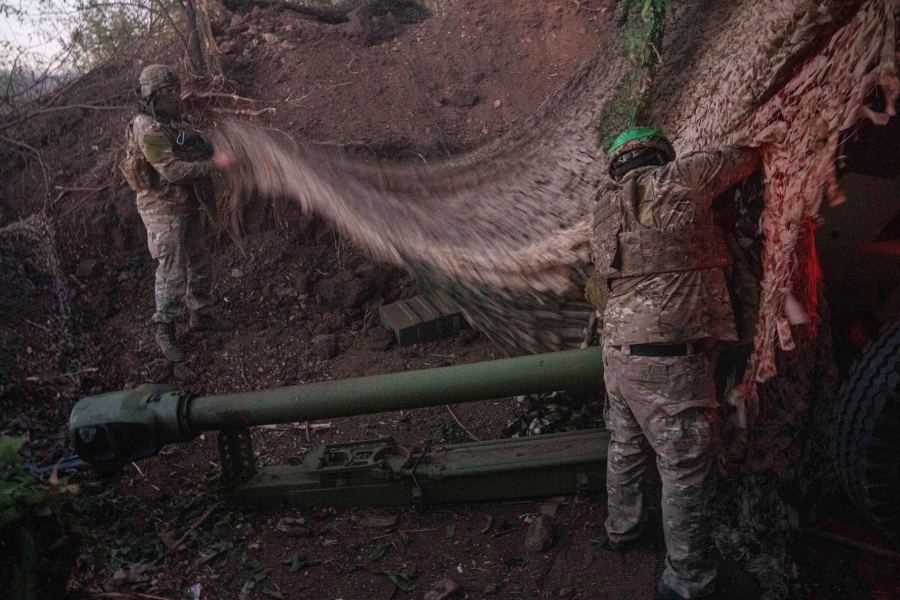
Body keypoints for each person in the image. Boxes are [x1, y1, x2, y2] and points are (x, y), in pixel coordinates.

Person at [590, 127, 760, 600]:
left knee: (625, 447)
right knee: (685, 470)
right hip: (669, 363)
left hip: (618, 355)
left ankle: (621, 532)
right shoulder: (681, 178)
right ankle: (688, 582)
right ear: (661, 156)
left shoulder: (603, 212)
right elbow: (746, 155)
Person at [121, 64, 236, 363]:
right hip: (161, 209)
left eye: (176, 90)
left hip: (185, 203)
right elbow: (171, 171)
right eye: (170, 92)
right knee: (172, 271)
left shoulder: (170, 121)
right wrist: (215, 166)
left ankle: (200, 314)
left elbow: (191, 140)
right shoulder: (147, 127)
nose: (176, 96)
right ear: (154, 94)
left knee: (200, 260)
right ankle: (165, 328)